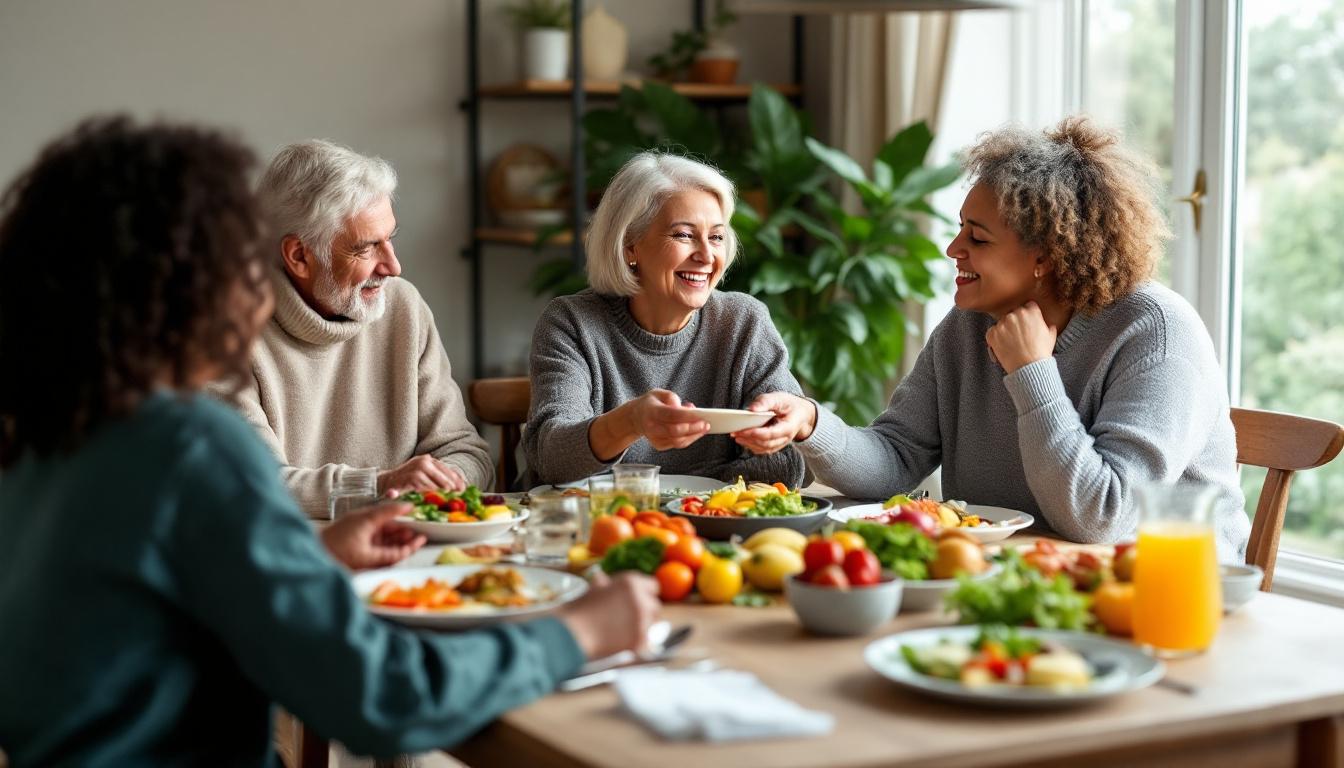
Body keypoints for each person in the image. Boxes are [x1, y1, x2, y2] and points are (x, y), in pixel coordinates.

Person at [0, 117, 660, 767]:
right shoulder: (190, 446)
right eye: (240, 253)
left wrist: (310, 555)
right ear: (192, 283)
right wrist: (577, 632)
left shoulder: (44, 435)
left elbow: (163, 604)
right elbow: (384, 696)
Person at [736, 117, 1250, 561]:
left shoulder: (1155, 332)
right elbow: (896, 459)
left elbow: (1102, 516)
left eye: (977, 237)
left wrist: (1032, 372)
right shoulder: (970, 325)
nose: (953, 248)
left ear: (1046, 256)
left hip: (1165, 590)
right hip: (1013, 573)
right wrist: (811, 423)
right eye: (961, 228)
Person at [232, 139, 492, 517]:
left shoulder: (403, 307)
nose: (393, 267)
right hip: (298, 546)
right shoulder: (227, 331)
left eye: (390, 239)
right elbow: (251, 483)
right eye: (366, 248)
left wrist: (442, 482)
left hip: (412, 539)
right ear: (299, 255)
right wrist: (380, 486)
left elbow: (466, 452)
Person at [525, 151, 806, 487]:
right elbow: (552, 459)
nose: (706, 256)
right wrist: (630, 422)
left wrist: (678, 494)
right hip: (587, 519)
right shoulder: (572, 323)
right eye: (684, 235)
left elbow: (789, 462)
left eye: (716, 237)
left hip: (705, 520)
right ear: (630, 246)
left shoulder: (743, 323)